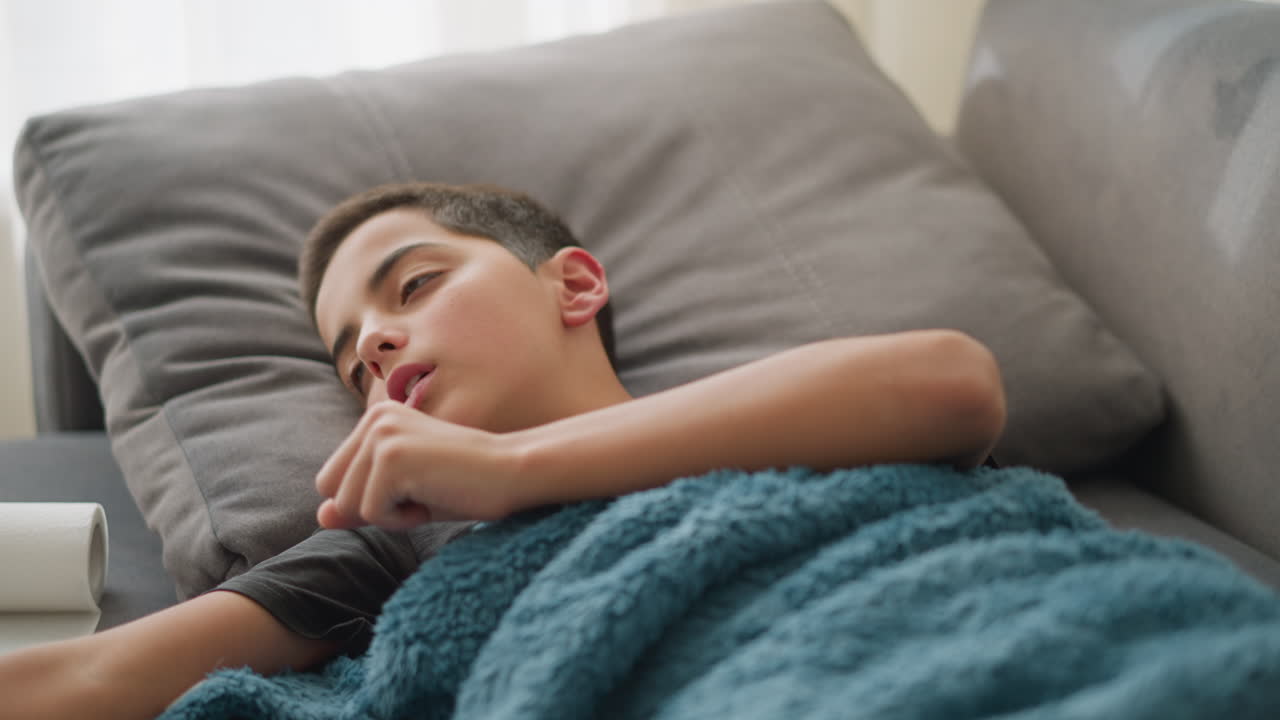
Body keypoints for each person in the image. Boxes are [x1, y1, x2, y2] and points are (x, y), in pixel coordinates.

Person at [0, 182, 1006, 719]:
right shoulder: (389, 543)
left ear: (572, 286)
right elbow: (85, 683)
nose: (376, 344)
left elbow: (953, 383)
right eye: (351, 360)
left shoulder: (771, 415)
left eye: (414, 286)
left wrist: (506, 472)